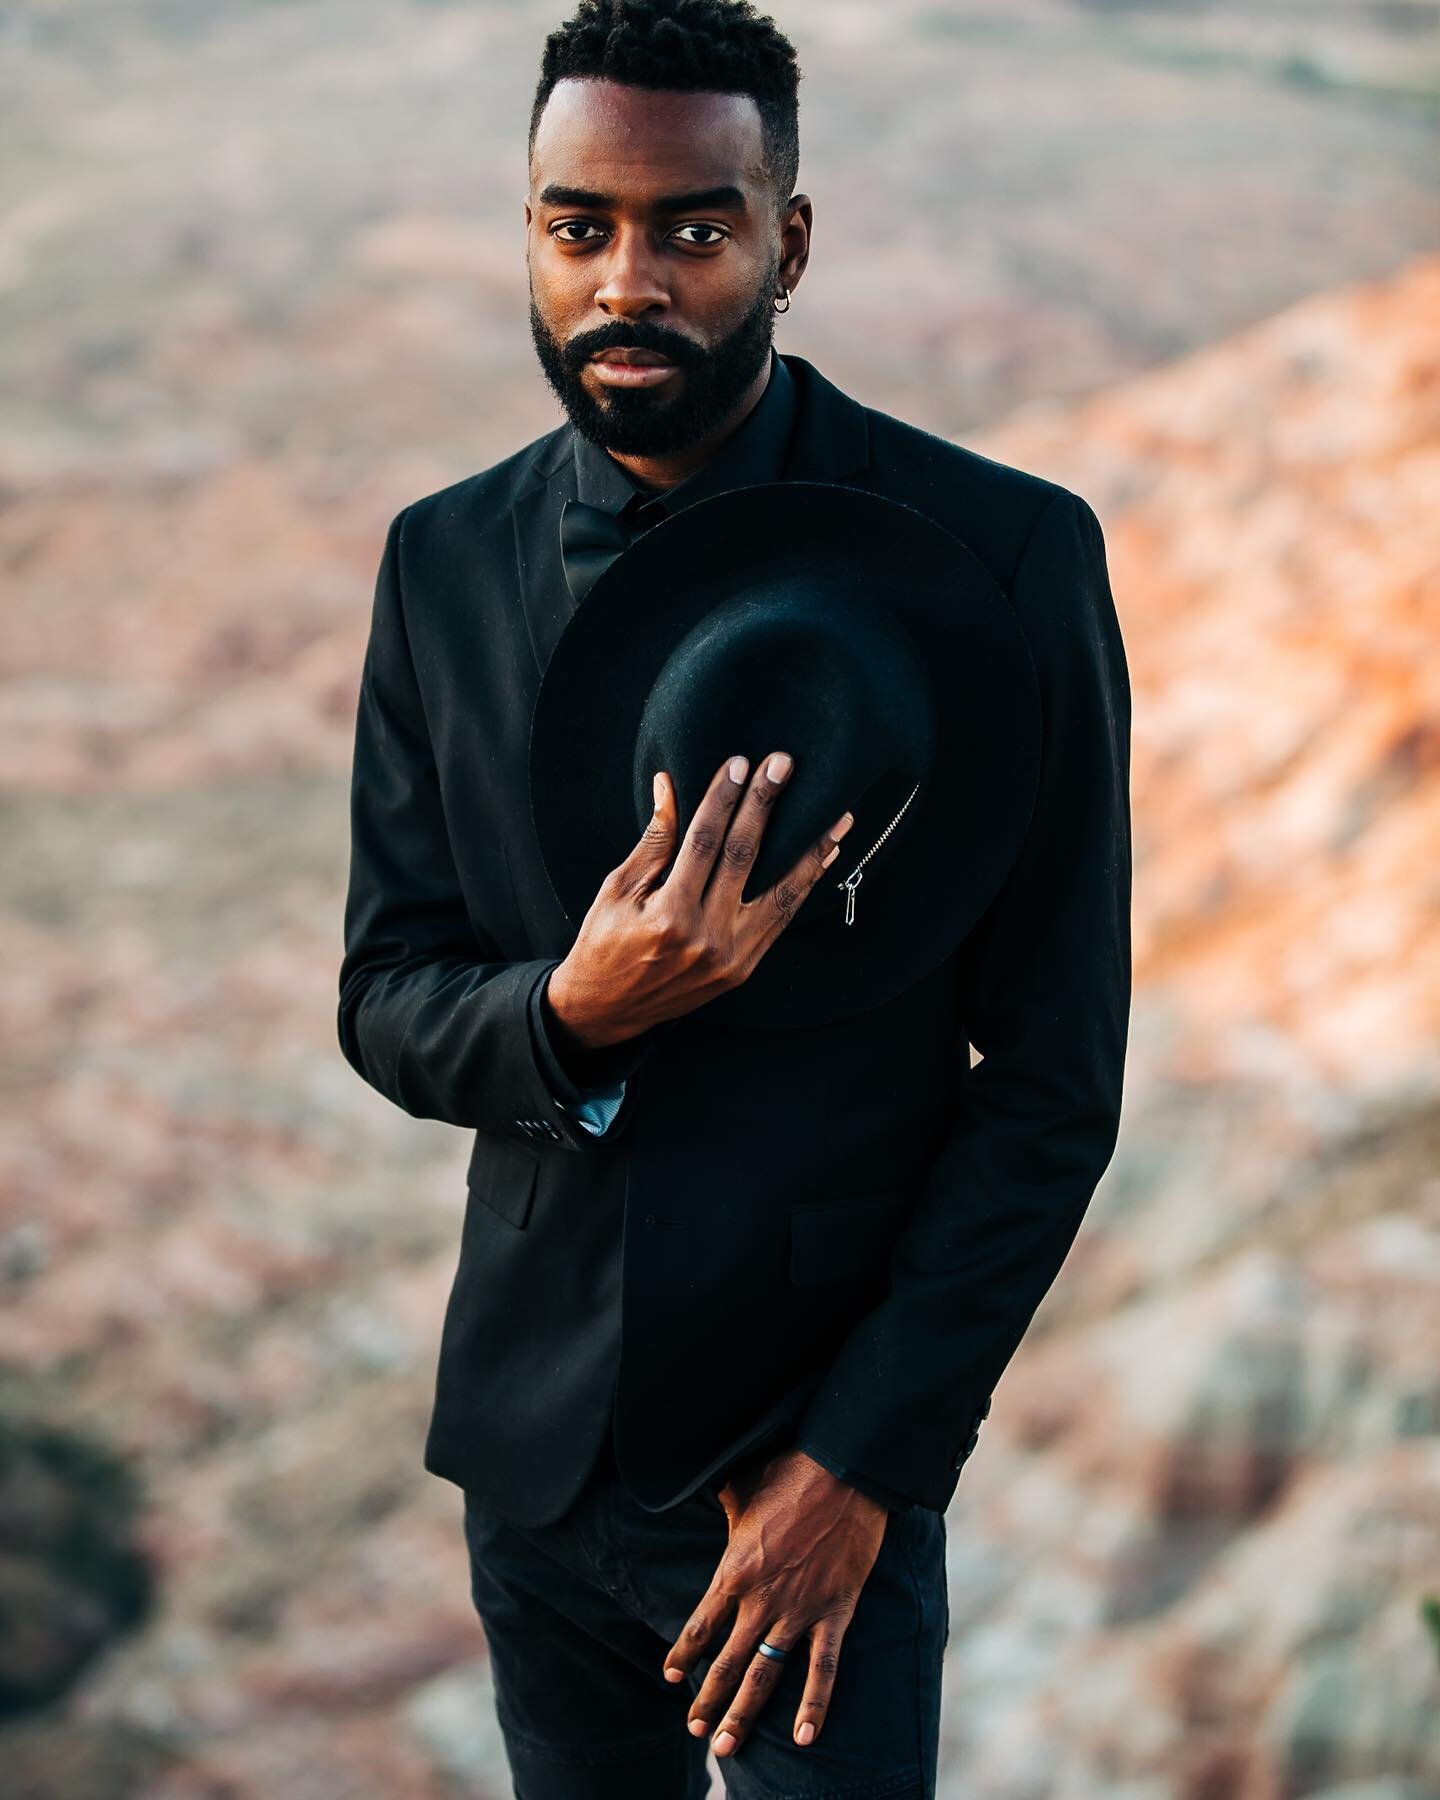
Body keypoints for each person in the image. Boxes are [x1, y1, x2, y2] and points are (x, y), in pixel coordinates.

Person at [336, 1, 1132, 1793]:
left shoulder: (1004, 559)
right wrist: (570, 1014)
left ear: (789, 239)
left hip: (807, 1489)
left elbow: (1059, 1078)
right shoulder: (440, 561)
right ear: (530, 232)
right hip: (536, 1476)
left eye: (694, 227)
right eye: (577, 226)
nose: (630, 278)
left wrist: (861, 1468)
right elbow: (386, 987)